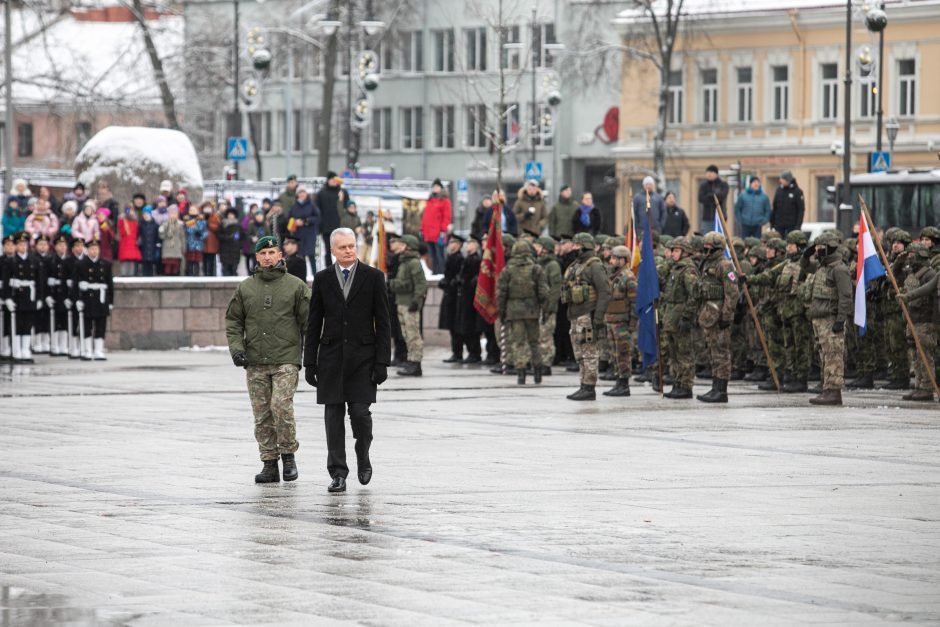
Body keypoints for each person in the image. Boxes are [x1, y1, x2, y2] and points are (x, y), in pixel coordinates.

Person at [303, 227, 391, 493]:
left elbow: (384, 323)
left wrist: (382, 362)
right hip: (331, 358)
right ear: (333, 250)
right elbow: (314, 322)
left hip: (363, 358)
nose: (349, 250)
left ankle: (363, 455)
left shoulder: (373, 277)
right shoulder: (322, 279)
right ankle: (338, 472)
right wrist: (310, 362)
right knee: (333, 417)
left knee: (361, 414)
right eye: (343, 247)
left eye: (352, 245)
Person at [226, 235, 311, 484]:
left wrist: (315, 355)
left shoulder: (295, 286)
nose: (267, 257)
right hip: (255, 359)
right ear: (257, 257)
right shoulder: (246, 287)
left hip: (286, 357)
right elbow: (233, 320)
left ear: (280, 256)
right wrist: (236, 348)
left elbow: (311, 322)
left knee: (281, 406)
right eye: (263, 254)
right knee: (262, 413)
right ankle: (269, 463)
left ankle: (288, 456)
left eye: (272, 252)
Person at [804, 230, 852, 405]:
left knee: (833, 356)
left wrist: (840, 320)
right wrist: (806, 256)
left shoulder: (839, 269)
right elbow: (805, 267)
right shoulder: (821, 267)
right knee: (824, 355)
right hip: (819, 319)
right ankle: (827, 389)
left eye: (820, 246)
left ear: (830, 247)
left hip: (831, 319)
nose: (817, 249)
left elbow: (846, 296)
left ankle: (834, 392)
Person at [561, 233, 611, 400]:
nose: (573, 249)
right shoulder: (576, 265)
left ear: (585, 246)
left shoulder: (594, 266)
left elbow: (605, 292)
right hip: (576, 315)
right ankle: (583, 384)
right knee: (579, 353)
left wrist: (597, 318)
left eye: (576, 246)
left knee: (589, 352)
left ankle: (589, 388)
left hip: (588, 316)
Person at [496, 240, 550, 385]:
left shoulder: (508, 270)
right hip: (532, 310)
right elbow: (543, 291)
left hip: (514, 311)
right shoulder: (536, 269)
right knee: (534, 342)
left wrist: (501, 312)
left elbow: (501, 293)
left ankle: (521, 373)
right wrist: (545, 310)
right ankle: (538, 372)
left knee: (518, 343)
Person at [696, 232, 739, 403]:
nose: (706, 251)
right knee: (713, 352)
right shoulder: (706, 264)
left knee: (721, 353)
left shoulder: (725, 265)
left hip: (719, 314)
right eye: (704, 247)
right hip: (708, 313)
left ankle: (721, 390)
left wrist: (727, 316)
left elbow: (732, 293)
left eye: (709, 248)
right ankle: (715, 387)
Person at [661, 237, 701, 398]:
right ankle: (677, 381)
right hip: (671, 315)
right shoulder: (675, 268)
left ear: (685, 252)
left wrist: (687, 316)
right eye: (673, 250)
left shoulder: (688, 270)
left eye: (676, 251)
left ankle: (686, 385)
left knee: (683, 352)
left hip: (680, 314)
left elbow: (694, 294)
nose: (673, 254)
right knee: (673, 352)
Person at [896, 244, 936, 401]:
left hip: (925, 320)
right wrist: (899, 262)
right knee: (916, 355)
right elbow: (895, 276)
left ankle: (926, 387)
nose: (910, 257)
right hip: (913, 319)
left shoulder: (930, 274)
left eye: (913, 254)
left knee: (925, 355)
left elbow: (929, 294)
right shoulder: (912, 273)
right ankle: (918, 385)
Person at [388, 234, 427, 376]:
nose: (399, 246)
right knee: (406, 334)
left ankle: (416, 364)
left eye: (402, 244)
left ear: (408, 247)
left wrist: (416, 302)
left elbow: (421, 284)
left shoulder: (413, 263)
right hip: (401, 303)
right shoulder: (404, 262)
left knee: (413, 335)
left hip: (410, 304)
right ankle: (411, 360)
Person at [601, 245, 638, 397]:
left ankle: (624, 384)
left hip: (622, 322)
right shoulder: (612, 276)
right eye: (611, 258)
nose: (611, 261)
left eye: (615, 258)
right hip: (611, 320)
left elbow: (634, 302)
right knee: (614, 353)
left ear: (623, 260)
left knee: (623, 353)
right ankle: (618, 381)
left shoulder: (628, 277)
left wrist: (632, 324)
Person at [2, 232, 43, 363]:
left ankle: (26, 350)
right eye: (20, 244)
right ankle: (17, 350)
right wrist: (7, 298)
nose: (22, 247)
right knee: (17, 324)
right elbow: (5, 281)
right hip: (17, 296)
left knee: (28, 324)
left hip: (29, 295)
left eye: (24, 244)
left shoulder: (34, 261)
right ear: (16, 246)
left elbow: (39, 282)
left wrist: (39, 298)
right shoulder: (10, 262)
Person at [72, 237, 113, 361]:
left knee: (101, 325)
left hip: (101, 298)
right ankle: (87, 350)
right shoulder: (80, 264)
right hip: (87, 298)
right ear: (87, 250)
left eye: (96, 249)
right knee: (87, 325)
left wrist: (110, 302)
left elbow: (110, 284)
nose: (94, 251)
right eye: (91, 249)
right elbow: (75, 283)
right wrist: (77, 299)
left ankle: (98, 350)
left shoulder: (105, 264)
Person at [534, 236, 562, 375]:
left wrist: (549, 307)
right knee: (538, 335)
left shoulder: (553, 265)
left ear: (545, 248)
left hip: (547, 307)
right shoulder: (538, 263)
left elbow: (556, 288)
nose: (536, 248)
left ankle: (546, 363)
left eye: (539, 246)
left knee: (546, 335)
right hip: (537, 306)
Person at [455, 236, 484, 364]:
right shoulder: (467, 259)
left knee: (471, 326)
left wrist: (468, 281)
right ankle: (471, 352)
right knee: (465, 326)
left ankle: (475, 352)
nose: (468, 246)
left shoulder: (476, 259)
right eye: (468, 243)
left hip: (471, 297)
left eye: (471, 243)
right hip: (465, 296)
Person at [439, 234, 465, 363]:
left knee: (456, 326)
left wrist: (450, 282)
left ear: (459, 244)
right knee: (451, 326)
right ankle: (455, 352)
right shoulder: (450, 257)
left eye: (453, 242)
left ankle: (458, 352)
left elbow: (459, 277)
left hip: (456, 296)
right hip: (450, 295)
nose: (450, 244)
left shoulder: (459, 258)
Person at [47, 234, 72, 356]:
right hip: (55, 294)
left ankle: (63, 345)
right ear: (55, 247)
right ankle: (54, 345)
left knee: (65, 321)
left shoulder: (69, 261)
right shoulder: (51, 260)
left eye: (64, 245)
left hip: (66, 295)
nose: (62, 247)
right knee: (55, 321)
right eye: (59, 245)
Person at [421, 178, 452, 274]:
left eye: (437, 186)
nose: (435, 188)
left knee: (440, 256)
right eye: (433, 187)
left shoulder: (445, 201)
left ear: (441, 188)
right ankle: (434, 273)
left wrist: (443, 230)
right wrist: (422, 229)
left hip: (439, 233)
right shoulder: (429, 201)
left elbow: (447, 217)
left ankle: (441, 274)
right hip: (429, 234)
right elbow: (425, 217)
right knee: (432, 256)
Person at [288, 186, 320, 278]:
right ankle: (302, 279)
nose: (302, 194)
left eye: (303, 192)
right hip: (298, 235)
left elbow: (317, 218)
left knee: (311, 256)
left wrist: (306, 221)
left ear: (306, 194)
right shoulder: (294, 206)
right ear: (297, 194)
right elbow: (289, 219)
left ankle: (316, 278)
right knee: (301, 259)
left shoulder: (312, 205)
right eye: (300, 192)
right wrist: (294, 222)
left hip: (310, 234)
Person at [316, 172, 343, 269]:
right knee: (328, 250)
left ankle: (341, 267)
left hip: (339, 226)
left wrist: (342, 198)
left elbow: (346, 207)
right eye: (332, 179)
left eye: (335, 180)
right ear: (328, 180)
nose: (334, 182)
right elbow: (318, 210)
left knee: (340, 248)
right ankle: (330, 268)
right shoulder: (321, 193)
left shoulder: (341, 192)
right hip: (326, 227)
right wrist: (320, 226)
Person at [770, 171, 805, 237]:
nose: (780, 181)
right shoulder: (779, 190)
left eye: (782, 179)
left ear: (788, 180)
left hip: (792, 226)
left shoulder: (797, 191)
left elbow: (801, 210)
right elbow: (775, 208)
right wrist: (772, 223)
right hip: (779, 225)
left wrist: (798, 226)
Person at [698, 165, 729, 231]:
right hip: (707, 217)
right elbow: (701, 198)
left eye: (711, 172)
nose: (709, 174)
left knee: (719, 238)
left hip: (720, 217)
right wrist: (712, 197)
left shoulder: (723, 184)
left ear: (716, 173)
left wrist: (711, 196)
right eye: (707, 172)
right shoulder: (703, 186)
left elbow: (722, 196)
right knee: (707, 238)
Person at [158, 205, 185, 276]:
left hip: (177, 249)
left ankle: (175, 279)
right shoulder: (165, 224)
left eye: (175, 213)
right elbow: (162, 236)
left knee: (175, 266)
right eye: (171, 213)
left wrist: (183, 247)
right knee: (168, 266)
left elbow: (182, 237)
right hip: (167, 249)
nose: (173, 215)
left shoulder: (180, 224)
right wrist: (162, 231)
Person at [217, 208, 244, 277]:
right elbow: (218, 235)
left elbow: (243, 236)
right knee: (225, 268)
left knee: (234, 268)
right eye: (229, 214)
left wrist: (240, 245)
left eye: (232, 214)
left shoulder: (238, 225)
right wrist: (226, 237)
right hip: (224, 249)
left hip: (235, 250)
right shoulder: (222, 224)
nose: (230, 216)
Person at [183, 204, 208, 276]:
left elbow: (205, 233)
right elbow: (185, 231)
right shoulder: (186, 220)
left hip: (198, 245)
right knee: (189, 261)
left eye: (194, 210)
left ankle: (196, 275)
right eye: (191, 210)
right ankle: (189, 274)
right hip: (189, 244)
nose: (192, 211)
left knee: (197, 261)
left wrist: (200, 235)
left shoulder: (202, 221)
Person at [117, 206, 142, 277]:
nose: (130, 212)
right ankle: (124, 274)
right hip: (125, 244)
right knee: (125, 261)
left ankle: (131, 275)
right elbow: (121, 231)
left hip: (133, 244)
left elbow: (138, 233)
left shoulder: (135, 222)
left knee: (132, 261)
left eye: (131, 210)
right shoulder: (122, 221)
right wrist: (122, 217)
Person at [138, 206, 160, 277]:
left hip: (152, 247)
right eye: (144, 214)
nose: (145, 215)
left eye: (147, 214)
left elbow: (157, 236)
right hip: (144, 248)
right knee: (144, 264)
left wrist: (157, 245)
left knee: (151, 264)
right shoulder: (141, 224)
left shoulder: (155, 225)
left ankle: (151, 276)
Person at [203, 202, 221, 277]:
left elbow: (218, 227)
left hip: (212, 242)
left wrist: (208, 224)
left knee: (211, 260)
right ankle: (205, 273)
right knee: (204, 260)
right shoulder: (201, 216)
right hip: (203, 242)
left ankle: (211, 274)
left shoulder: (215, 217)